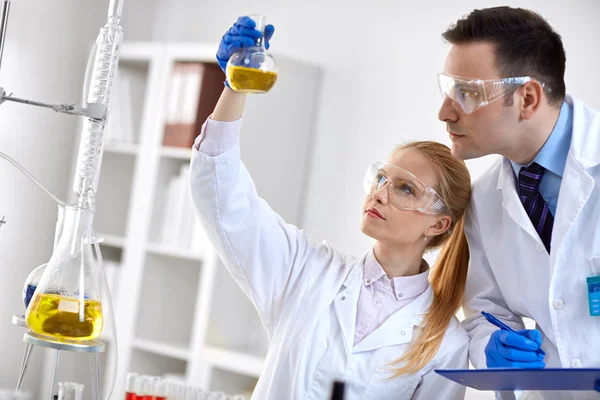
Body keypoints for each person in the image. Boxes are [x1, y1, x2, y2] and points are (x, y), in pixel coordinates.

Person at [190, 16, 472, 400]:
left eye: (405, 188)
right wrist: (234, 89)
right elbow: (222, 200)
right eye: (381, 178)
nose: (380, 193)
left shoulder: (447, 343)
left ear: (438, 224)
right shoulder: (307, 271)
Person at [437, 6, 600, 400]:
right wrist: (493, 345)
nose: (444, 113)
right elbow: (483, 311)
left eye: (468, 93)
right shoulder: (483, 202)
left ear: (527, 98)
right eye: (447, 91)